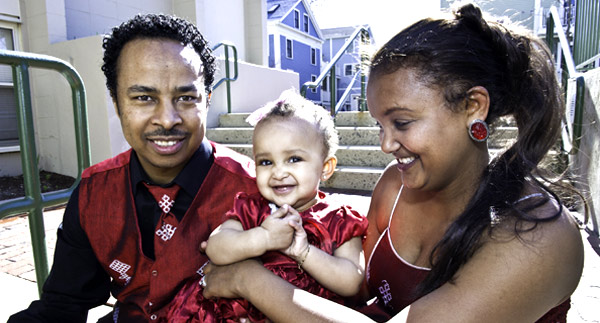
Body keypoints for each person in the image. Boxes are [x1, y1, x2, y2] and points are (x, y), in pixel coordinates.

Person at [197, 3, 585, 322]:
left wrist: (251, 281)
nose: (385, 144)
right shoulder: (394, 186)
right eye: (380, 125)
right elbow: (355, 288)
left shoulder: (539, 236)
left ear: (473, 107)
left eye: (401, 122)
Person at [9, 13, 258, 322]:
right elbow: (63, 305)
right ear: (116, 103)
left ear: (207, 101)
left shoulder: (256, 190)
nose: (167, 119)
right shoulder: (93, 193)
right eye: (143, 97)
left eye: (185, 97)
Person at [163, 91, 368, 322]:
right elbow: (216, 247)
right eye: (266, 162)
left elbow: (352, 281)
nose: (279, 172)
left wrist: (303, 252)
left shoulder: (340, 219)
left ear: (326, 168)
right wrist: (264, 238)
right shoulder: (251, 208)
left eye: (294, 159)